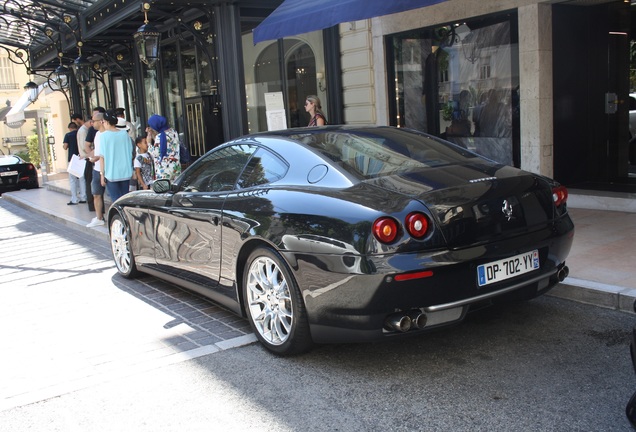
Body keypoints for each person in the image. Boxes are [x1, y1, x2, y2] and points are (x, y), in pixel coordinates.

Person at [99, 111, 134, 203]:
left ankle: (120, 217)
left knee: (116, 201)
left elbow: (102, 157)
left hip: (111, 174)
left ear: (106, 122)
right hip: (125, 173)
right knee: (125, 199)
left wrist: (102, 174)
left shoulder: (103, 136)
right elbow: (130, 153)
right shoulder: (125, 135)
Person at [86, 111, 107, 228]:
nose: (91, 123)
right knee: (96, 193)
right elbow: (97, 150)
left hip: (107, 168)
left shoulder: (107, 134)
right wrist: (87, 155)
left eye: (93, 121)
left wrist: (96, 158)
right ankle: (99, 217)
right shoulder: (97, 134)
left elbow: (105, 152)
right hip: (97, 168)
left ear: (101, 121)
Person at [146, 114, 181, 181]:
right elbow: (162, 145)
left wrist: (149, 143)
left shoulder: (160, 137)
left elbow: (155, 153)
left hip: (164, 169)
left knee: (164, 189)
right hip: (175, 166)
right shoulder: (173, 132)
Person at [72, 113, 93, 211]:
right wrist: (92, 154)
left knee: (87, 181)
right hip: (87, 158)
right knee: (88, 181)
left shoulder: (82, 130)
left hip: (86, 157)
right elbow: (85, 146)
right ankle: (90, 203)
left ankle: (90, 202)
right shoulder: (84, 131)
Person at [62, 122, 87, 205]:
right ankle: (83, 197)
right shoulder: (81, 133)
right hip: (82, 157)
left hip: (72, 159)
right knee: (82, 179)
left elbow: (65, 147)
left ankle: (74, 199)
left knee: (72, 180)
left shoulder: (68, 135)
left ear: (69, 128)